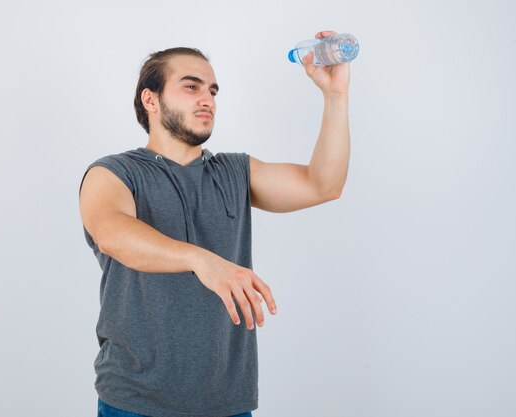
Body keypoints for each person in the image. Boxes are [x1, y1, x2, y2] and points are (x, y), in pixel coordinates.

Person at [78, 30, 351, 417]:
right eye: (191, 87)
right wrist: (203, 260)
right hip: (135, 402)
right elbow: (112, 233)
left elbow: (324, 185)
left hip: (227, 403)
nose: (207, 99)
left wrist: (335, 95)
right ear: (150, 99)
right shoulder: (114, 172)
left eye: (213, 90)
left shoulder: (235, 171)